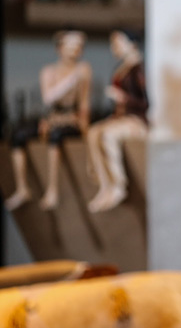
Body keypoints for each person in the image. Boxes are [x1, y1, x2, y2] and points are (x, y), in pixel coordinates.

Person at [5, 30, 92, 211]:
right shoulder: (50, 71)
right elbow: (48, 98)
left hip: (71, 119)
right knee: (18, 136)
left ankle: (53, 189)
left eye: (77, 47)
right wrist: (72, 79)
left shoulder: (84, 70)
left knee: (56, 135)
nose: (74, 51)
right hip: (53, 117)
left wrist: (85, 126)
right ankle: (22, 188)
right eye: (69, 46)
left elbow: (84, 101)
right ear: (59, 48)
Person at [86, 30, 148, 213]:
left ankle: (118, 184)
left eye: (118, 43)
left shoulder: (139, 69)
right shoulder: (121, 69)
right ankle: (104, 184)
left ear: (131, 44)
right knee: (93, 132)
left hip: (137, 119)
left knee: (108, 135)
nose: (114, 47)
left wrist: (124, 99)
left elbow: (146, 102)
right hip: (121, 117)